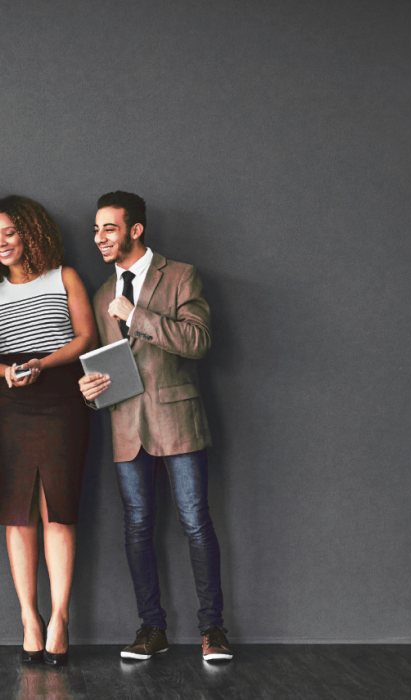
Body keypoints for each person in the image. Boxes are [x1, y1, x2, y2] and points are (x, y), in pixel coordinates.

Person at [78, 191, 232, 661]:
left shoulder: (181, 276)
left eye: (109, 228)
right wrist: (92, 391)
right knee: (137, 528)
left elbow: (199, 341)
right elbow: (113, 367)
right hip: (127, 427)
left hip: (179, 420)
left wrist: (137, 316)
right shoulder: (102, 293)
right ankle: (152, 628)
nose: (100, 237)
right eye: (96, 229)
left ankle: (213, 630)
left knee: (195, 522)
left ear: (135, 229)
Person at [0, 195, 98, 666]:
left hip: (62, 400)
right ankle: (28, 619)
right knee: (18, 515)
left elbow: (86, 338)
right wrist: (7, 374)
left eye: (9, 232)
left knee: (57, 510)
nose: (1, 242)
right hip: (10, 405)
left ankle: (60, 619)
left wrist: (40, 362)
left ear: (30, 233)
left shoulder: (65, 277)